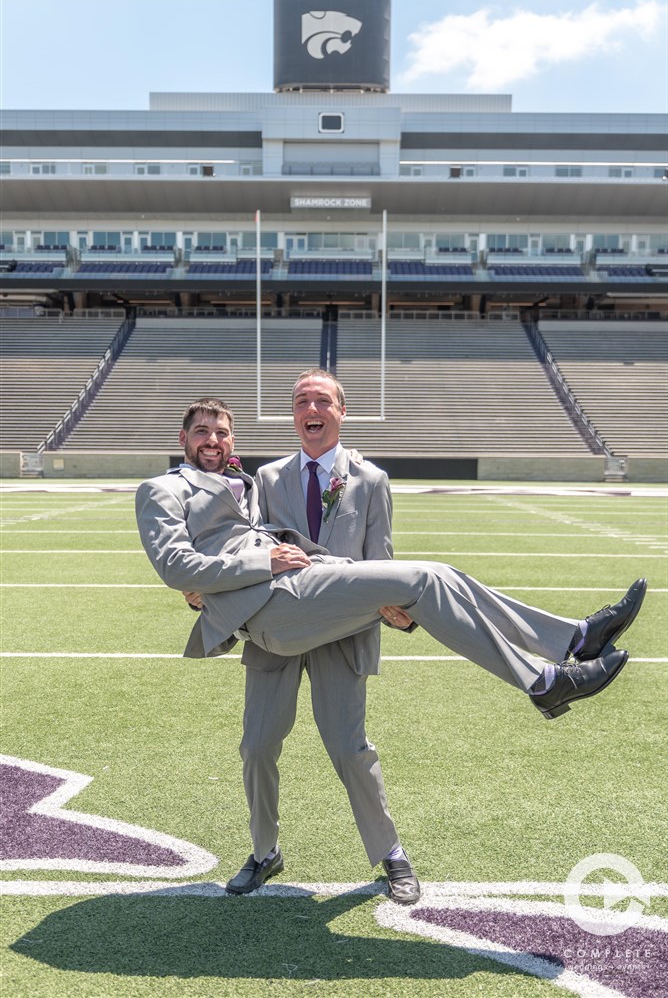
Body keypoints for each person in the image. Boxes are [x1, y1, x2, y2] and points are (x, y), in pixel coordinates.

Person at [135, 397, 646, 859]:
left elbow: (290, 532)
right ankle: (550, 674)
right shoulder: (162, 488)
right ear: (183, 439)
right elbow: (178, 566)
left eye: (221, 432)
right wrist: (253, 569)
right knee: (259, 746)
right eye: (202, 431)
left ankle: (574, 641)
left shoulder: (249, 484)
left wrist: (350, 574)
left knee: (436, 578)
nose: (212, 440)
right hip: (272, 606)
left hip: (311, 583)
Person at [201, 369, 418, 902]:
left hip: (342, 630)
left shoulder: (371, 480)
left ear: (341, 413)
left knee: (349, 749)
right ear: (294, 415)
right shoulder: (268, 479)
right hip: (277, 627)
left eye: (321, 400)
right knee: (256, 746)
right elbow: (243, 549)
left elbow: (381, 564)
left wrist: (396, 609)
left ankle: (390, 853)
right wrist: (206, 583)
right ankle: (264, 851)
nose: (310, 408)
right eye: (301, 401)